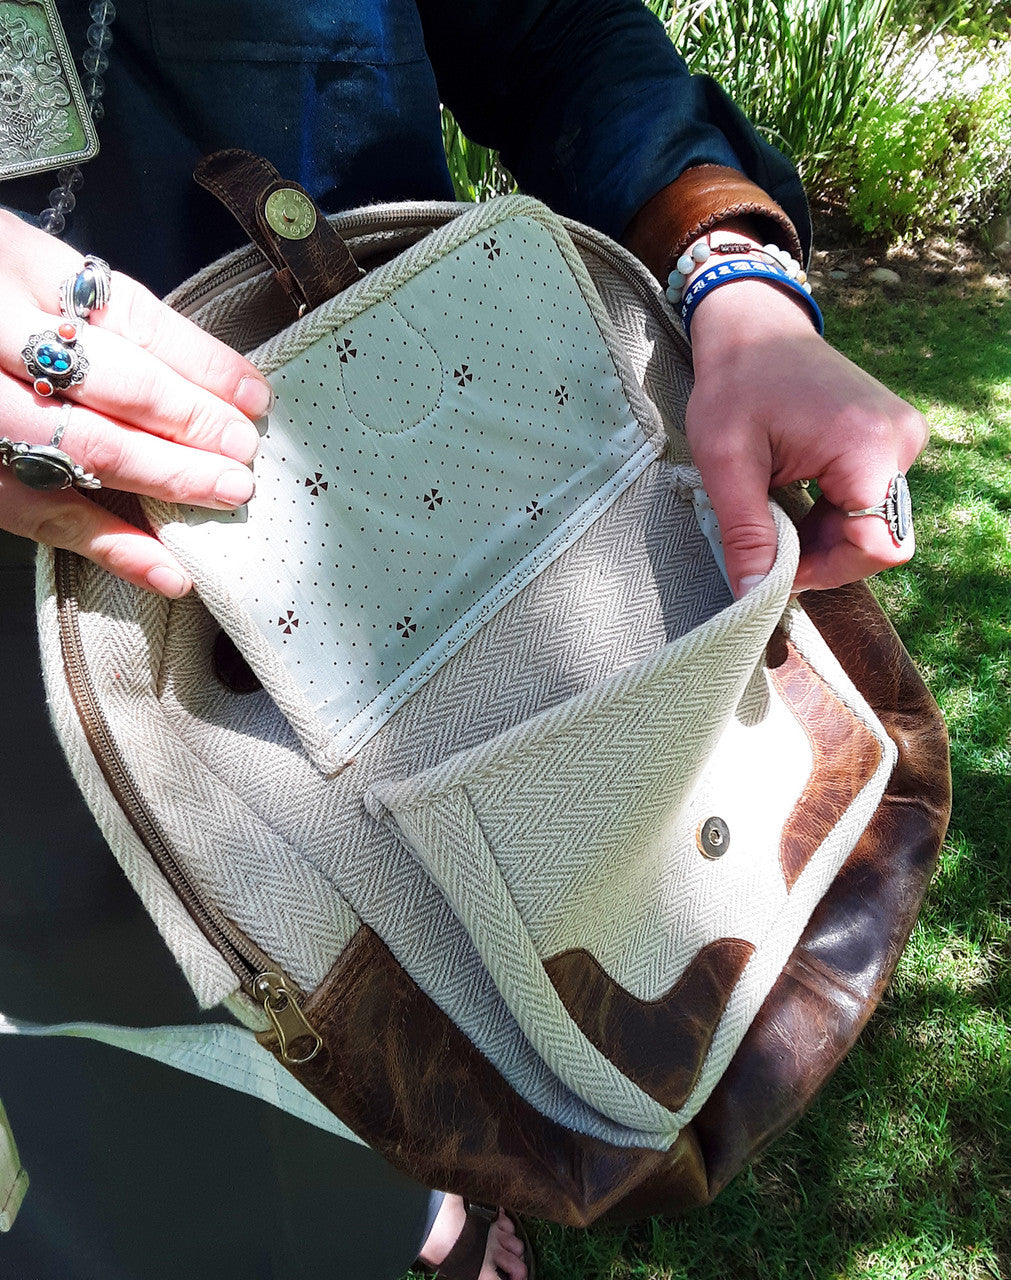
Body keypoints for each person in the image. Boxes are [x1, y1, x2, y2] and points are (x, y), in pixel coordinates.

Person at [0, 1, 928, 1276]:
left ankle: (447, 1187)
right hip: (75, 713)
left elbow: (551, 30)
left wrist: (733, 272)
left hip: (469, 507)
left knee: (446, 1059)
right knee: (135, 1140)